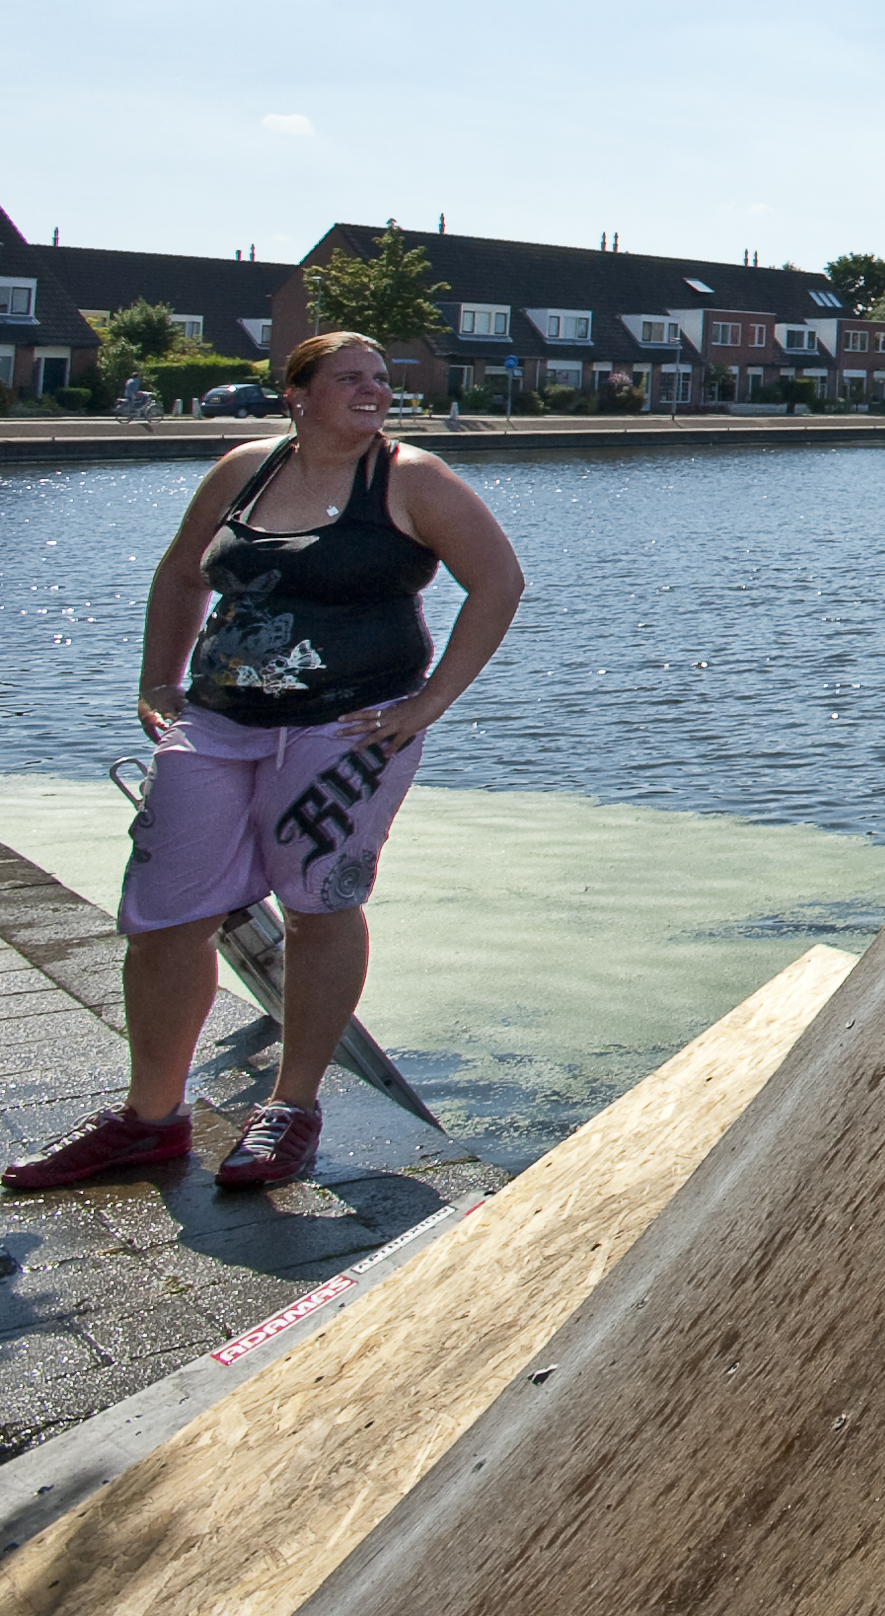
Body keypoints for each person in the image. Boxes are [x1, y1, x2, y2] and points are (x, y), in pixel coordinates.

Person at [5, 331, 524, 1195]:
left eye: (382, 378)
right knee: (165, 914)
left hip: (346, 730)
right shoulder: (245, 468)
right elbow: (181, 574)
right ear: (297, 393)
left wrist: (427, 703)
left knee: (318, 904)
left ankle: (292, 1104)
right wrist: (157, 680)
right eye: (350, 377)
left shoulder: (412, 479)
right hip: (217, 722)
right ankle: (150, 1117)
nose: (373, 389)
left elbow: (498, 582)